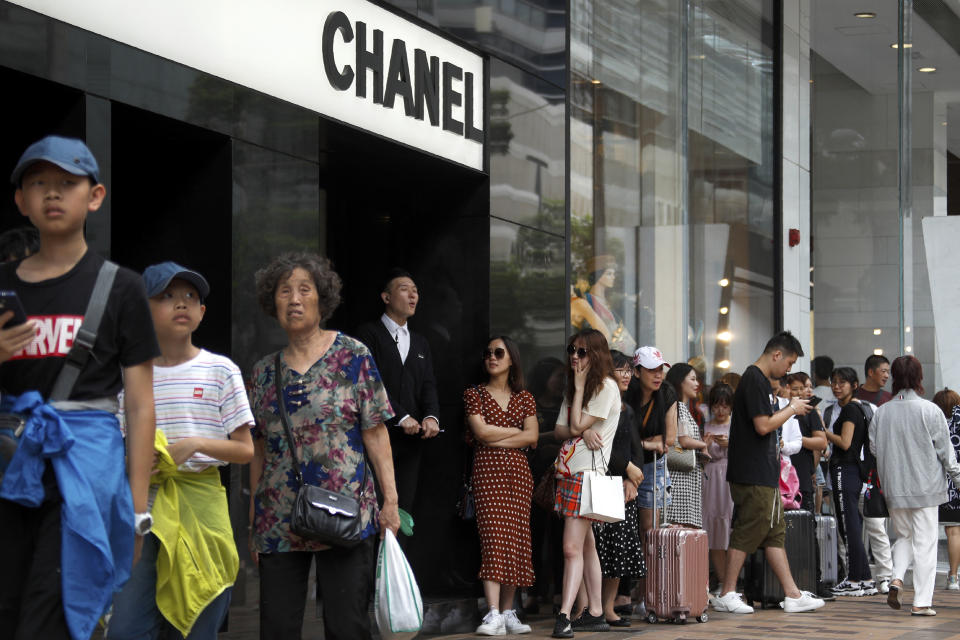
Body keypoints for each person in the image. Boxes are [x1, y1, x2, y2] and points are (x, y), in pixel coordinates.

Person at [0, 136, 158, 640]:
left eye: (66, 183)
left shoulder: (122, 287)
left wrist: (137, 511)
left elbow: (139, 407)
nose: (52, 193)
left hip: (85, 477)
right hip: (8, 469)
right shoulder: (2, 284)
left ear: (95, 196)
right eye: (38, 183)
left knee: (56, 615)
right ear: (21, 200)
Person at [248, 252, 400, 640]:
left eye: (304, 290)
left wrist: (391, 503)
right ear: (273, 302)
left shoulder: (353, 355)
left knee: (347, 627)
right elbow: (259, 450)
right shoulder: (264, 372)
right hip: (279, 519)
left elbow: (376, 432)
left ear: (322, 299)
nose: (294, 299)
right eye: (285, 292)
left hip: (346, 511)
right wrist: (254, 522)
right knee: (277, 628)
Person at [108, 263, 255, 639]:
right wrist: (137, 463)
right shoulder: (128, 376)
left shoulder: (221, 370)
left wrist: (194, 445)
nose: (181, 304)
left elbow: (244, 450)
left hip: (200, 507)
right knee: (127, 627)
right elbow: (116, 444)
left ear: (202, 312)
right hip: (143, 507)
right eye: (167, 296)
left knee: (196, 624)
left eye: (191, 297)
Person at [711, 331, 824, 614]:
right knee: (749, 529)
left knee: (774, 532)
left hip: (763, 471)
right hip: (752, 473)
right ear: (776, 355)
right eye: (789, 363)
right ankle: (727, 592)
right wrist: (792, 409)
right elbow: (763, 425)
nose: (789, 370)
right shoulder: (754, 380)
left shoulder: (758, 381)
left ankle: (792, 594)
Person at [871, 356, 960, 616]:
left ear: (895, 378)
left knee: (904, 537)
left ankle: (896, 578)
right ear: (919, 378)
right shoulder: (929, 410)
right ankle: (921, 602)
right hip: (926, 488)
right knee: (926, 544)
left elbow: (875, 448)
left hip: (894, 487)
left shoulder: (883, 412)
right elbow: (946, 453)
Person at [465, 336, 538, 636]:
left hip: (519, 477)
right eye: (488, 353)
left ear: (512, 360)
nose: (491, 358)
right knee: (494, 540)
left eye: (499, 353)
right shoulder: (475, 394)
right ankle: (492, 613)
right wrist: (514, 433)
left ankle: (508, 612)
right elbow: (480, 433)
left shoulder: (525, 397)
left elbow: (532, 437)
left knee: (516, 542)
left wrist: (500, 436)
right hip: (487, 473)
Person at [551, 329, 621, 638]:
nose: (575, 357)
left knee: (570, 548)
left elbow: (575, 424)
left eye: (582, 352)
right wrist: (581, 431)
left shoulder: (606, 387)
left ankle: (565, 614)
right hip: (569, 472)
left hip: (587, 475)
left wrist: (578, 393)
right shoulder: (574, 388)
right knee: (586, 545)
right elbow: (558, 431)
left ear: (597, 354)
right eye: (572, 350)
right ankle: (594, 611)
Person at [355, 269, 440, 519]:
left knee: (404, 513)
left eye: (415, 291)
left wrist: (432, 416)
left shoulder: (421, 341)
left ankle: (395, 559)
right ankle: (373, 561)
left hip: (411, 442)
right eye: (404, 288)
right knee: (374, 509)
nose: (413, 295)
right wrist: (401, 417)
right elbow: (369, 383)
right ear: (386, 297)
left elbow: (428, 384)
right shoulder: (367, 334)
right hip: (375, 436)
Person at [593, 350, 645, 628]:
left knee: (617, 551)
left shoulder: (628, 409)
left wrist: (631, 478)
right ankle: (591, 606)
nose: (626, 375)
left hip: (622, 488)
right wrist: (627, 468)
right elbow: (602, 445)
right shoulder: (600, 405)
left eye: (628, 370)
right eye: (620, 370)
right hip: (600, 480)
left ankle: (609, 606)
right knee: (598, 550)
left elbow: (636, 448)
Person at [823, 367, 876, 597]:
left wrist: (825, 432)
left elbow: (844, 443)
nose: (836, 386)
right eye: (833, 382)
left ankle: (854, 578)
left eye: (842, 382)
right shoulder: (859, 408)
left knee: (849, 524)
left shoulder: (851, 410)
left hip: (846, 470)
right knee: (851, 523)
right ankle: (864, 578)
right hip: (852, 471)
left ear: (855, 385)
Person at [625, 346, 677, 534]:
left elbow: (669, 439)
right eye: (651, 370)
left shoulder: (667, 392)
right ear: (637, 372)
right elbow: (618, 437)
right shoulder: (626, 392)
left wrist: (640, 443)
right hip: (625, 462)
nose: (658, 375)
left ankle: (648, 564)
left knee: (649, 529)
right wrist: (649, 443)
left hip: (652, 464)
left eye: (660, 370)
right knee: (622, 524)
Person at [663, 362, 708, 529]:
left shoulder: (680, 408)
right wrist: (703, 445)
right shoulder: (680, 407)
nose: (697, 384)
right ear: (680, 381)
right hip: (681, 480)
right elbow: (683, 439)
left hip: (682, 478)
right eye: (693, 379)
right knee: (680, 531)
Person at [702, 383, 734, 597]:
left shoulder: (736, 426)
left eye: (725, 406)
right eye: (717, 405)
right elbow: (702, 458)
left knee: (731, 530)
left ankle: (731, 583)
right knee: (713, 531)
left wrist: (730, 445)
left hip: (730, 479)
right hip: (710, 478)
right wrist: (703, 446)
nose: (720, 410)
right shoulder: (705, 427)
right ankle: (723, 582)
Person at [933, 388, 960, 590]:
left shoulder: (933, 423)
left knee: (926, 531)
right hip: (956, 484)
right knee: (954, 531)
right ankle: (953, 577)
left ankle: (925, 575)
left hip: (934, 484)